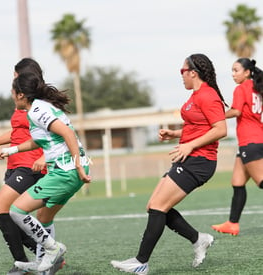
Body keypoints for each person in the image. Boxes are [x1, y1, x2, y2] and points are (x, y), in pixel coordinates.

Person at [111, 53, 227, 274]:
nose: (181, 76)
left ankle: (141, 262)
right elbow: (198, 128)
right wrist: (175, 134)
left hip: (200, 161)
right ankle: (198, 239)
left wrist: (190, 145)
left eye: (182, 71)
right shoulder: (196, 96)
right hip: (189, 158)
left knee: (158, 207)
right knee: (154, 207)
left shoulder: (208, 95)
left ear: (193, 72)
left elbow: (221, 129)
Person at [0, 71, 91, 273]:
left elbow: (67, 133)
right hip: (66, 171)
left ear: (21, 94)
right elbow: (39, 141)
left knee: (16, 211)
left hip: (65, 171)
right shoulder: (40, 108)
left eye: (13, 92)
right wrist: (12, 150)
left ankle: (53, 248)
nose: (12, 96)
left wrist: (78, 166)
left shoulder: (36, 111)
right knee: (44, 219)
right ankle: (44, 261)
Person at [0, 58, 64, 275]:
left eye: (15, 76)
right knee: (12, 217)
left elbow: (56, 134)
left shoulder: (39, 104)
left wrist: (45, 157)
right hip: (15, 164)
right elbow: (18, 132)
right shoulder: (21, 103)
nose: (13, 81)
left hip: (29, 165)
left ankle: (23, 264)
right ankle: (48, 255)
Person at [211, 58, 263, 236]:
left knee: (261, 182)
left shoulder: (241, 88)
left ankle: (233, 223)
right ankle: (232, 223)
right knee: (237, 182)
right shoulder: (257, 88)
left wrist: (215, 117)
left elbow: (236, 111)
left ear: (247, 72)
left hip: (251, 142)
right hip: (254, 140)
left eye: (236, 70)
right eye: (232, 71)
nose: (233, 74)